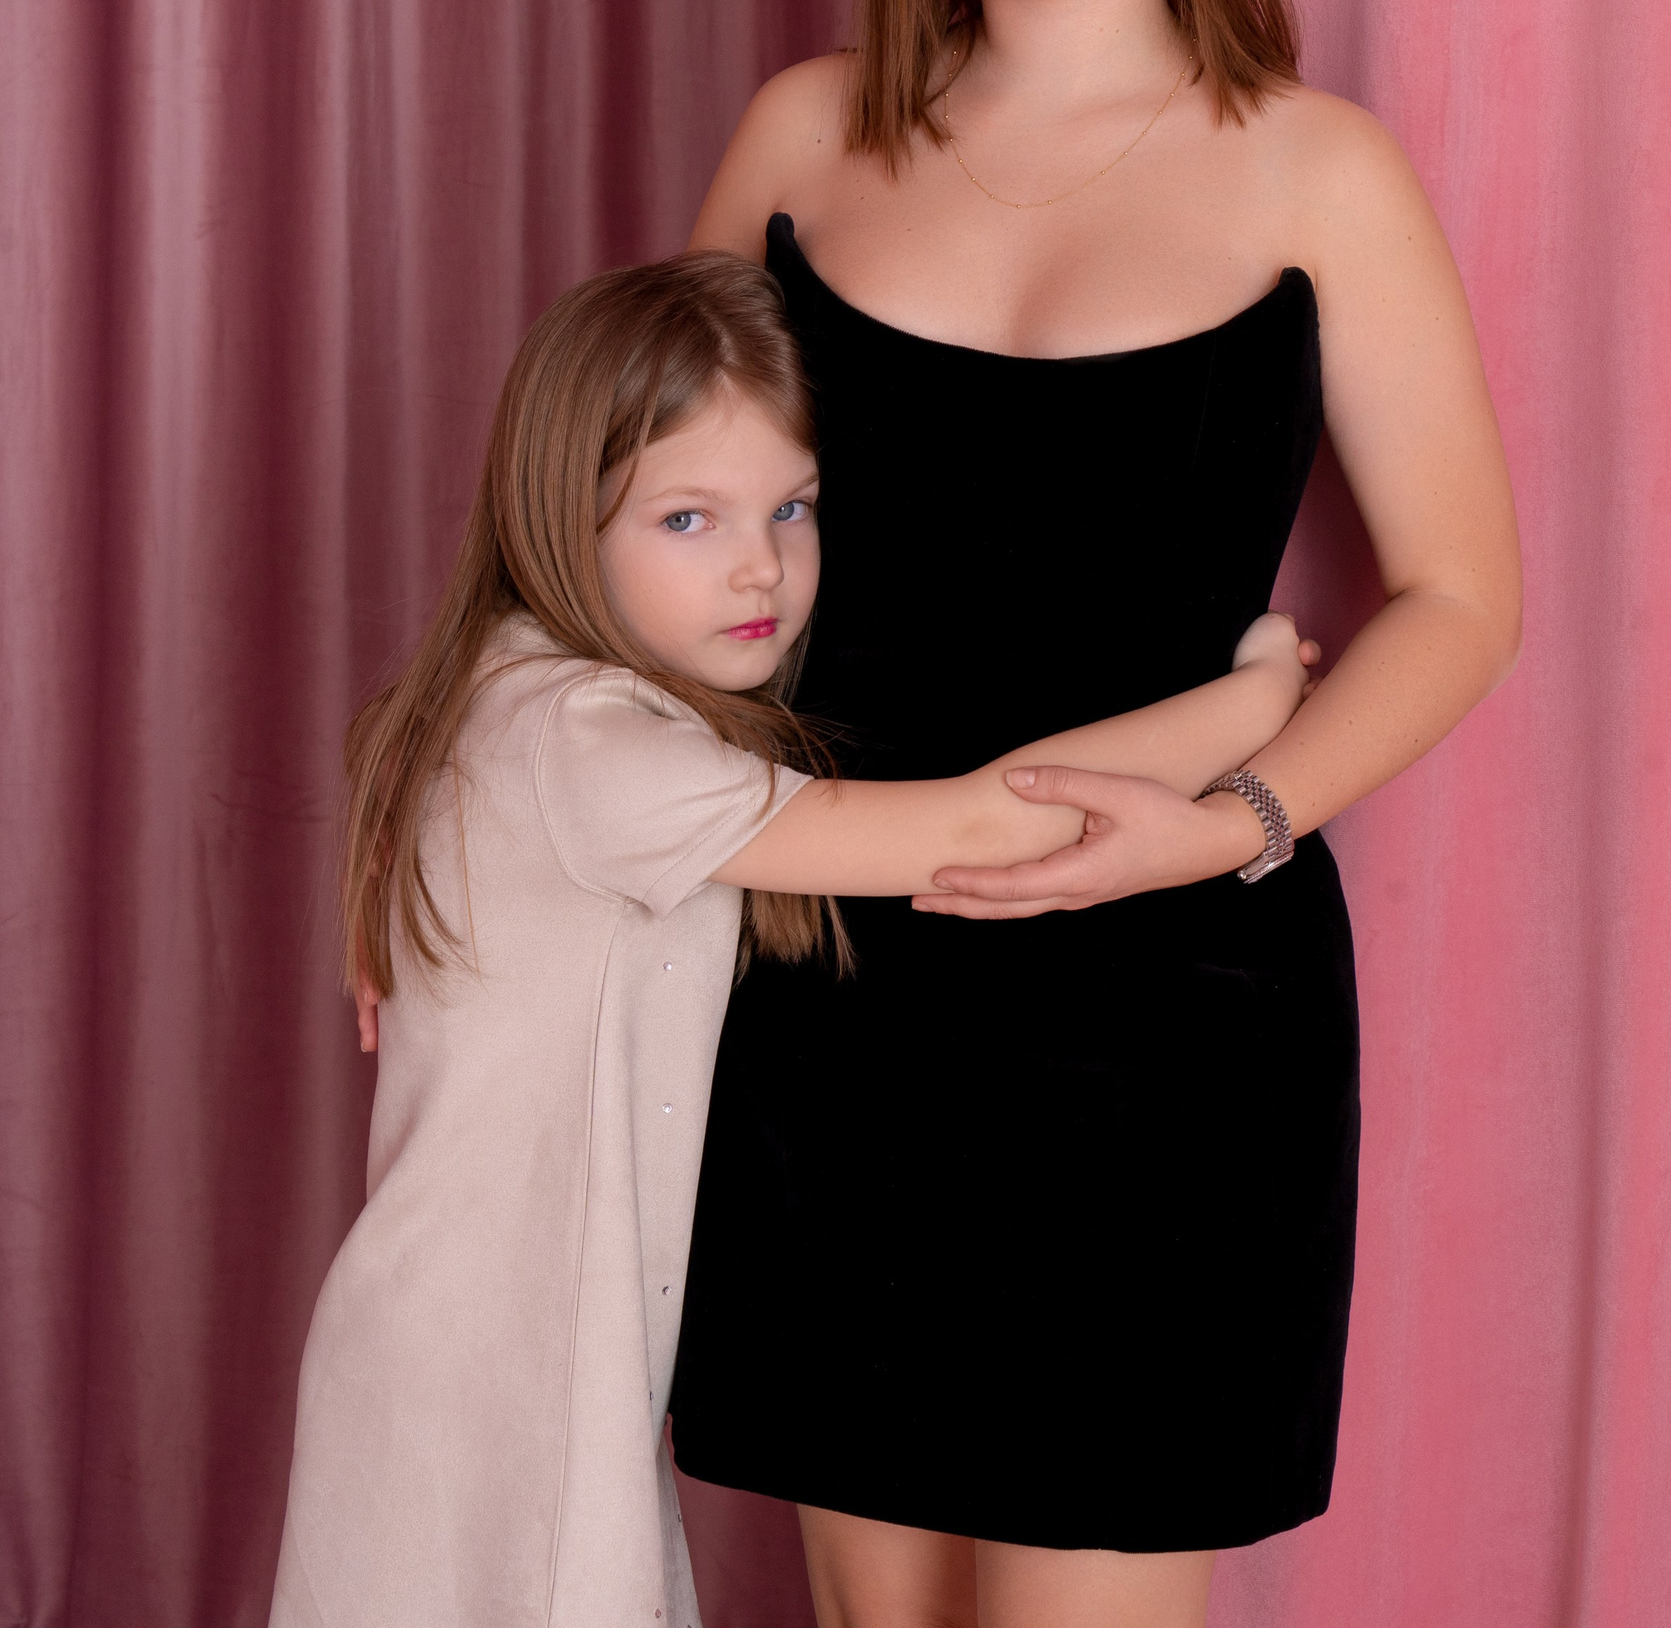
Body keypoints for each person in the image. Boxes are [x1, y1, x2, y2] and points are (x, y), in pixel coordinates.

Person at [667, 0, 1524, 1628]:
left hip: (1176, 1026)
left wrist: (1237, 815)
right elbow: (633, 548)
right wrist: (448, 862)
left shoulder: (1317, 169)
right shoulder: (803, 138)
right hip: (825, 990)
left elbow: (1458, 595)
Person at [270, 253, 1309, 1628]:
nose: (760, 565)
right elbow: (981, 825)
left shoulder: (515, 691)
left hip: (476, 1347)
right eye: (688, 518)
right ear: (558, 517)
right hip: (505, 1384)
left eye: (794, 507)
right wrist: (1255, 704)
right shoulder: (596, 749)